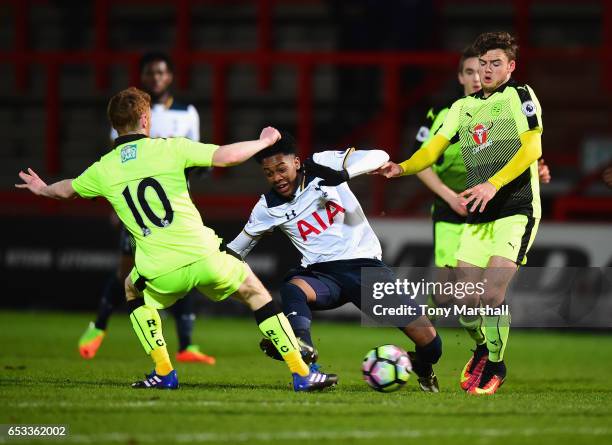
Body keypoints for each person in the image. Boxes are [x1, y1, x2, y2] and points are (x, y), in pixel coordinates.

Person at [16, 87, 337, 392]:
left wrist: (42, 188)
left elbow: (66, 189)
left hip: (159, 268)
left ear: (114, 126)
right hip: (204, 255)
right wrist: (262, 140)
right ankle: (302, 374)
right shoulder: (170, 147)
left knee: (130, 288)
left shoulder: (103, 169)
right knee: (256, 293)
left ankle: (164, 372)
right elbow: (225, 157)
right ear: (145, 120)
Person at [377, 31, 543, 395]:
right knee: (465, 300)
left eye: (495, 63)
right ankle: (484, 347)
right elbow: (431, 151)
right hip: (478, 215)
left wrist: (493, 184)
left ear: (510, 66)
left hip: (515, 208)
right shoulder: (459, 109)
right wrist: (402, 167)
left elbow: (532, 148)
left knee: (491, 294)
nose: (486, 70)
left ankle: (497, 365)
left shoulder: (519, 95)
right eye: (482, 64)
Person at [226, 133, 443, 392]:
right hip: (322, 275)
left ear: (296, 162)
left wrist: (344, 174)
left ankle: (421, 365)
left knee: (432, 346)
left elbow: (380, 156)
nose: (277, 178)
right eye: (269, 173)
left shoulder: (322, 163)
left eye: (281, 169)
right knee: (294, 288)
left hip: (366, 270)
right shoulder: (267, 207)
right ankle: (301, 345)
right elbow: (237, 249)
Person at [78, 52, 214, 365]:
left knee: (187, 265)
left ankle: (187, 345)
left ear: (171, 77)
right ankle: (98, 326)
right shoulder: (130, 111)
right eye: (150, 72)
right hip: (137, 204)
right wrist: (115, 202)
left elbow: (195, 156)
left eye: (161, 72)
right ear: (143, 76)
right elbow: (116, 161)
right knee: (126, 270)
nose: (156, 77)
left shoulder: (187, 113)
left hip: (175, 200)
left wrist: (198, 168)